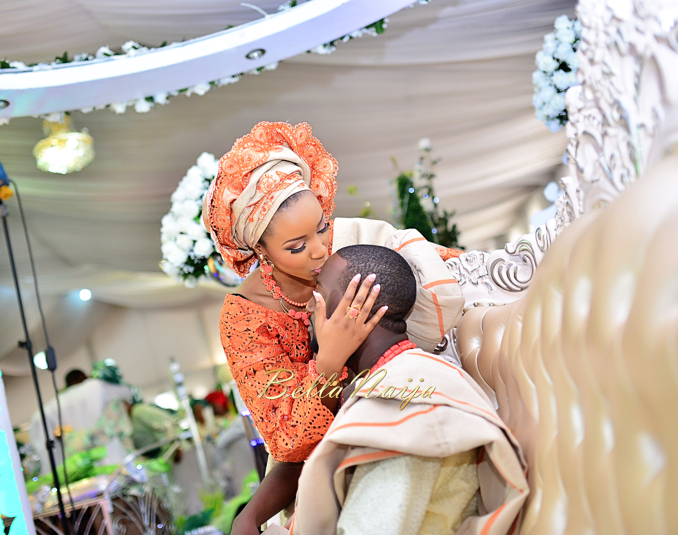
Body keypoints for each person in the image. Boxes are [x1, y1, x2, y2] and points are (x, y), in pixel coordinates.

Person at [205, 122, 466, 533]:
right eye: (296, 246)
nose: (320, 250)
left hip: (386, 429)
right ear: (261, 250)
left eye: (322, 226)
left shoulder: (350, 245)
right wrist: (328, 360)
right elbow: (289, 443)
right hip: (313, 469)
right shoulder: (246, 317)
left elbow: (448, 268)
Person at [281, 245, 528, 535]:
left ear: (357, 307)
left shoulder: (408, 406)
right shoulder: (395, 379)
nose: (309, 307)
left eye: (320, 291)